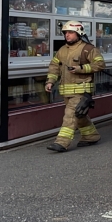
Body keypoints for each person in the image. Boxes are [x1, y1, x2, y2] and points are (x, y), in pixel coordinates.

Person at [45, 21, 105, 152]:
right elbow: (54, 66)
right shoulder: (62, 50)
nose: (67, 35)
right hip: (66, 91)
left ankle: (61, 142)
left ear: (79, 33)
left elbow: (100, 64)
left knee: (70, 115)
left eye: (70, 32)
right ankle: (91, 136)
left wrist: (81, 68)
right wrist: (50, 81)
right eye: (65, 33)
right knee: (80, 115)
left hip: (82, 91)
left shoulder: (88, 49)